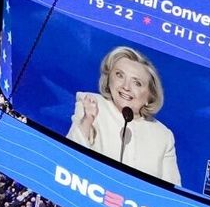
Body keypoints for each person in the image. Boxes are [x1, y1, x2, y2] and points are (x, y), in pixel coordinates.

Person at [66, 46, 179, 185]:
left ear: (150, 96)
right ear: (108, 79)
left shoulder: (163, 136)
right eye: (119, 75)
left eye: (137, 83)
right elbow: (68, 162)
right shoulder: (91, 103)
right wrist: (87, 120)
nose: (126, 86)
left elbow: (171, 193)